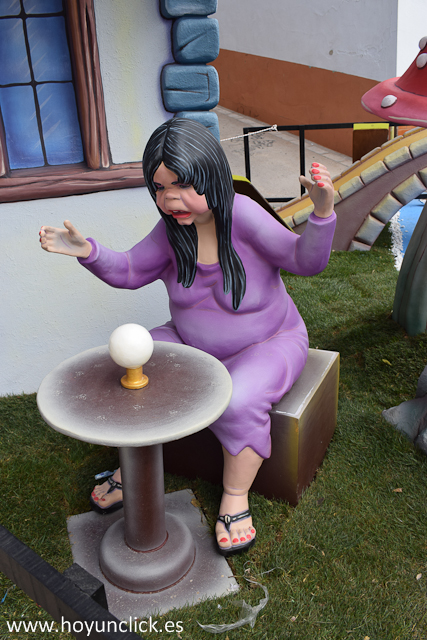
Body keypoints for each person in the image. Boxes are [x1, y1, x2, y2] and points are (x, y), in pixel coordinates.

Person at [39, 117, 336, 557]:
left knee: (237, 399)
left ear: (210, 175)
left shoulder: (244, 216)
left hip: (269, 342)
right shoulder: (171, 232)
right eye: (160, 188)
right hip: (191, 340)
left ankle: (235, 495)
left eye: (182, 184)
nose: (170, 198)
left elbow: (303, 260)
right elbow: (131, 270)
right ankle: (134, 470)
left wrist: (323, 214)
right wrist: (89, 252)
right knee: (136, 366)